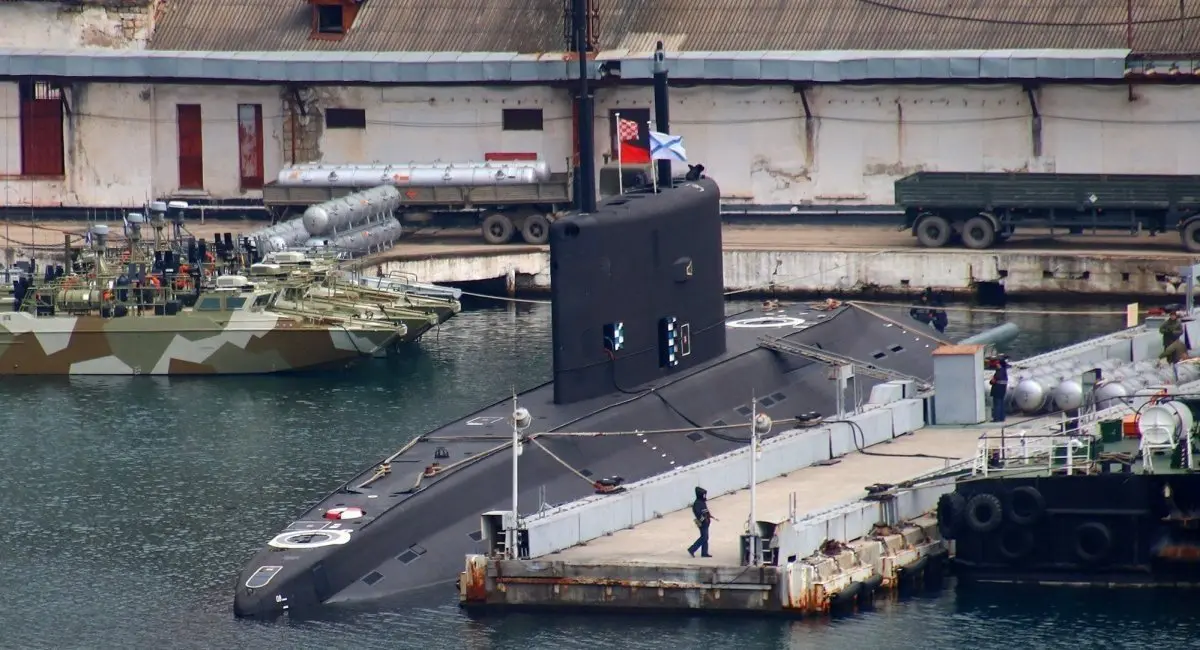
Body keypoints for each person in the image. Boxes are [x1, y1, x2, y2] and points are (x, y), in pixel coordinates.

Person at [687, 486, 715, 558]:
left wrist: (709, 515)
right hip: (702, 523)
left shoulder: (702, 502)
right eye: (703, 495)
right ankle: (692, 549)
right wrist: (704, 519)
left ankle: (704, 552)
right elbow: (698, 513)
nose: (704, 496)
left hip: (706, 522)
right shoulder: (697, 503)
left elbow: (705, 510)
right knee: (704, 537)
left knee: (705, 537)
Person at [989, 357, 1009, 423]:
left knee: (997, 404)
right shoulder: (1004, 371)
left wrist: (991, 381)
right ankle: (1001, 417)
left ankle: (996, 418)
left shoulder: (999, 371)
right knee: (1001, 403)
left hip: (997, 389)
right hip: (1002, 389)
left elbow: (993, 381)